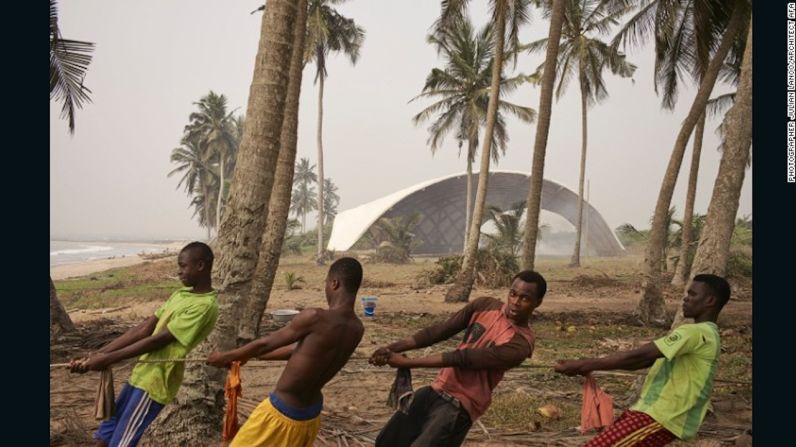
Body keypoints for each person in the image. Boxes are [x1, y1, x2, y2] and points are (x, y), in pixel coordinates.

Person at [369, 270, 547, 447]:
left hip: (459, 406)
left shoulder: (520, 344)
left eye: (525, 298)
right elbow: (440, 331)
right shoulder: (485, 305)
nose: (515, 302)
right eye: (513, 294)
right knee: (386, 441)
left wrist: (407, 363)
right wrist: (390, 349)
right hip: (436, 389)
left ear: (537, 302)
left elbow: (464, 358)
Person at [69, 241, 219, 447]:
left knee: (121, 443)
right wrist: (95, 356)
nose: (179, 272)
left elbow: (159, 339)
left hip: (156, 382)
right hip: (140, 375)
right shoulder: (180, 295)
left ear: (200, 266)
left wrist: (108, 358)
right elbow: (143, 329)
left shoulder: (205, 306)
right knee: (105, 436)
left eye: (183, 266)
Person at [554, 273, 731, 447]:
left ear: (710, 301)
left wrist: (582, 364)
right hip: (653, 413)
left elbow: (639, 356)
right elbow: (641, 362)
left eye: (692, 294)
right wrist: (587, 367)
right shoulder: (708, 334)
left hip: (661, 416)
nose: (685, 299)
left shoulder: (695, 332)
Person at [206, 257, 365, 447]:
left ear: (334, 283)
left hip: (280, 413)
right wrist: (250, 355)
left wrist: (224, 356)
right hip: (310, 416)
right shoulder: (357, 329)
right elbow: (302, 351)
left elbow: (266, 343)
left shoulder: (316, 317)